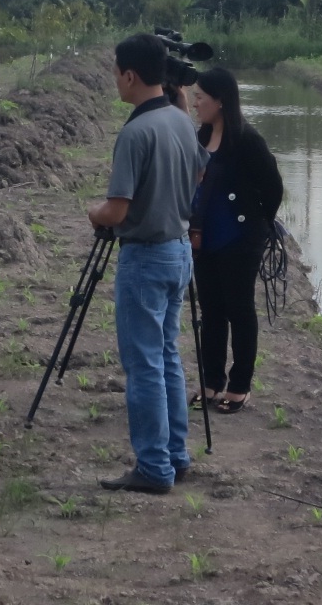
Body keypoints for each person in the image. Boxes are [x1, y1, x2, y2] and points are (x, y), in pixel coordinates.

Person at [88, 34, 208, 494]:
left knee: (143, 366)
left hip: (145, 257)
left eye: (117, 73)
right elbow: (199, 170)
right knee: (167, 356)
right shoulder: (180, 120)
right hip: (179, 251)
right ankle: (175, 456)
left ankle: (154, 467)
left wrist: (92, 213)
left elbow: (116, 211)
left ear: (130, 75)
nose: (115, 81)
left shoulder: (136, 132)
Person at [188, 67, 283, 414]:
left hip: (240, 240)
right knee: (211, 310)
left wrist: (257, 225)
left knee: (239, 309)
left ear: (221, 101)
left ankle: (240, 386)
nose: (196, 102)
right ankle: (212, 381)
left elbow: (273, 188)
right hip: (204, 239)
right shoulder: (200, 136)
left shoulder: (247, 140)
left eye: (201, 97)